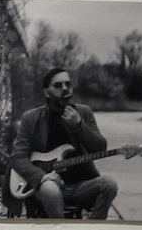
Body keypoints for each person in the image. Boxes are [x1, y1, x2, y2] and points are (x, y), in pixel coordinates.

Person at [10, 67, 118, 219]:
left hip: (81, 186)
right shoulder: (31, 118)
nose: (65, 88)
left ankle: (91, 228)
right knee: (50, 189)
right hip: (47, 186)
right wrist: (42, 177)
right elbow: (17, 158)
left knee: (109, 184)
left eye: (68, 84)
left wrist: (79, 126)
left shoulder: (84, 113)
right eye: (58, 85)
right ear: (46, 92)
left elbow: (100, 148)